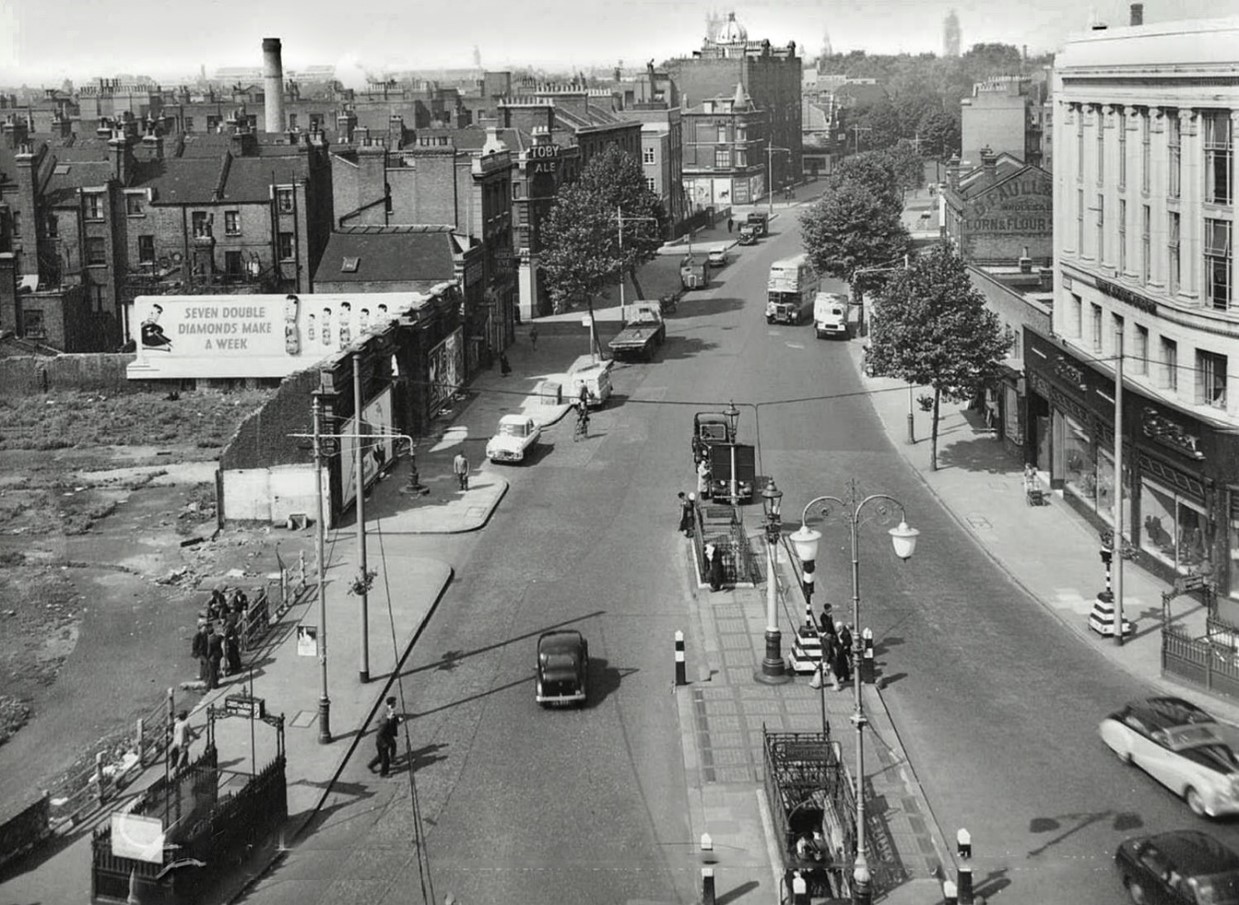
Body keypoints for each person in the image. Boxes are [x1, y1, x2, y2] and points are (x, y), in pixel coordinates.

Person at [367, 696, 400, 777]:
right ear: (392, 703)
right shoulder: (385, 723)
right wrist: (384, 743)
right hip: (382, 741)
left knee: (384, 753)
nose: (395, 704)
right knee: (385, 758)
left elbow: (393, 719)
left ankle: (371, 765)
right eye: (394, 702)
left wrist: (397, 720)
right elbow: (379, 734)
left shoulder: (389, 712)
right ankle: (383, 773)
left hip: (387, 737)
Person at [206, 624, 224, 690]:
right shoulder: (217, 637)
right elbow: (221, 636)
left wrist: (207, 657)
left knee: (212, 672)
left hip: (212, 658)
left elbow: (209, 651)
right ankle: (212, 683)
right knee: (216, 669)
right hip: (218, 655)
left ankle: (214, 685)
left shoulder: (210, 640)